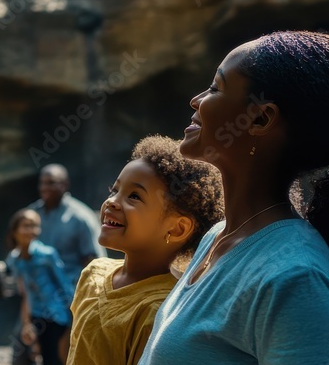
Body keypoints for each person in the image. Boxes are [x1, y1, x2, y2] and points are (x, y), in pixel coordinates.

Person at [139, 31, 329, 364]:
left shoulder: (296, 275)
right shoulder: (216, 238)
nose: (197, 99)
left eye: (216, 88)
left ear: (261, 118)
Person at [67, 135, 224, 365]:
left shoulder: (160, 309)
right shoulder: (93, 273)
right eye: (115, 190)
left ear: (178, 228)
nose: (112, 201)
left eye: (134, 196)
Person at [14, 164, 104, 364]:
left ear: (64, 185)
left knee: (60, 356)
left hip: (66, 301)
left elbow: (96, 263)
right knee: (21, 352)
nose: (45, 188)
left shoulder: (81, 218)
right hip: (35, 299)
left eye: (51, 183)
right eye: (42, 183)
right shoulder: (32, 214)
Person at [6, 208, 75, 365]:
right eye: (26, 225)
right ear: (15, 230)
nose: (31, 230)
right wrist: (26, 323)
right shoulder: (14, 259)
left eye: (34, 225)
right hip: (34, 316)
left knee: (53, 359)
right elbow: (25, 294)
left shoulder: (47, 254)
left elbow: (65, 286)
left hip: (57, 317)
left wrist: (72, 323)